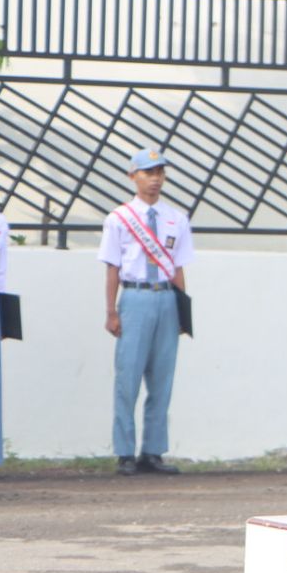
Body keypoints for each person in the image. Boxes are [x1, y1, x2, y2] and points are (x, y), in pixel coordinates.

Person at [98, 147, 193, 477]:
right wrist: (111, 311)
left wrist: (182, 309)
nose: (155, 179)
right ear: (133, 176)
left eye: (159, 172)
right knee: (128, 378)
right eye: (148, 172)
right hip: (135, 296)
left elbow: (178, 268)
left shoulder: (176, 218)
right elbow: (112, 268)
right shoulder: (119, 218)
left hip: (166, 297)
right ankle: (125, 452)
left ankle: (153, 451)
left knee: (162, 378)